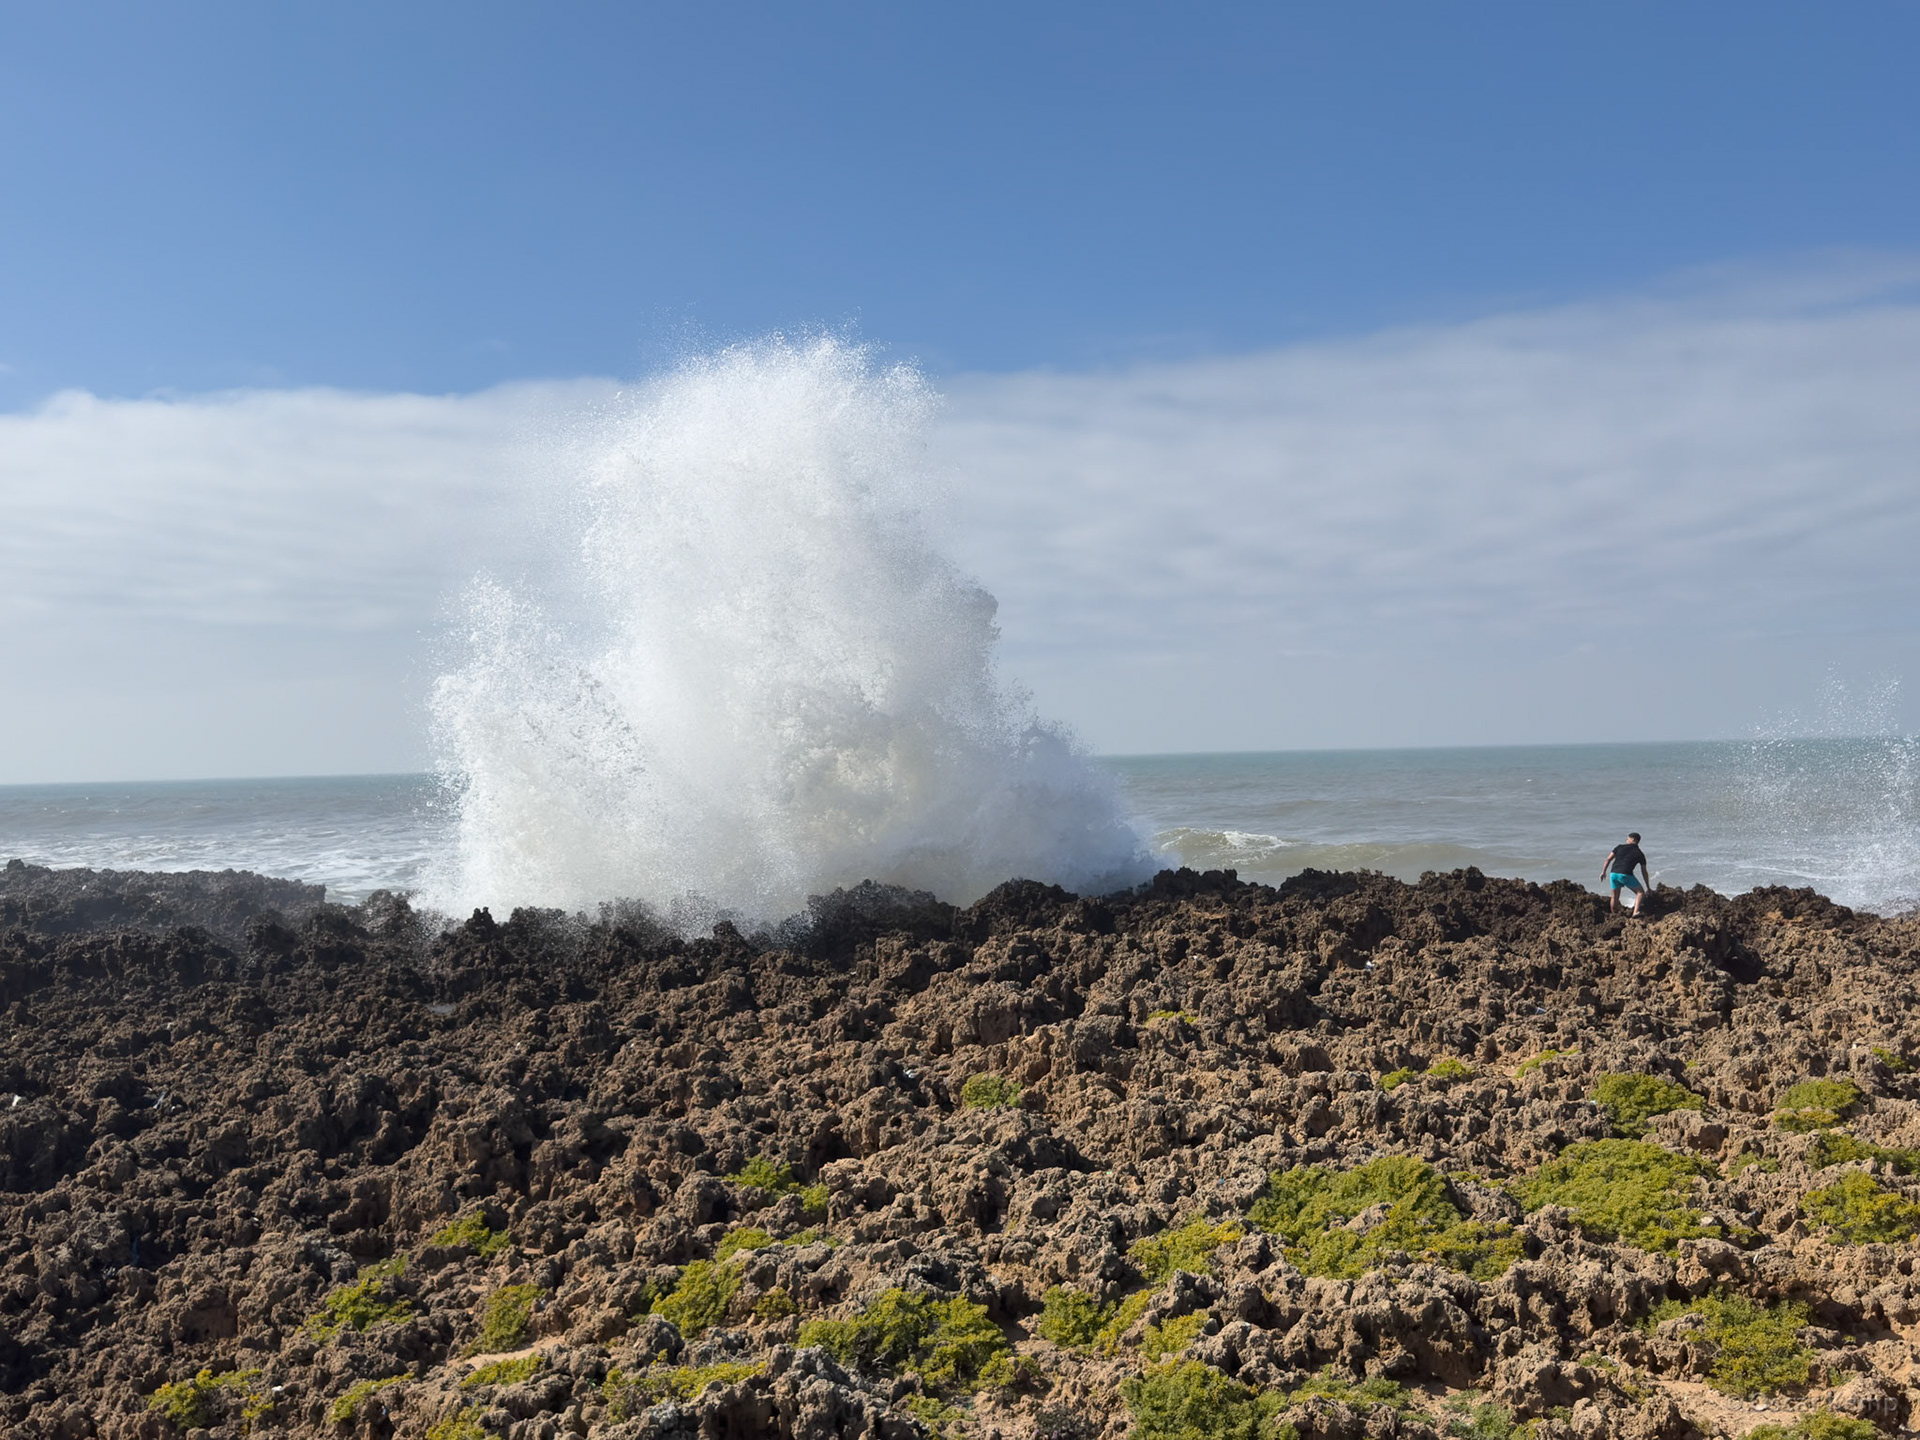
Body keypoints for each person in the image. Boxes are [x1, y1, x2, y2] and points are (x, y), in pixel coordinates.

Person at [1601, 832, 1650, 916]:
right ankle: (1635, 912)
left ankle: (1614, 915)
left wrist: (1603, 872)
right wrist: (1648, 887)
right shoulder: (1639, 853)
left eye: (1628, 839)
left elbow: (1608, 859)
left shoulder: (1619, 847)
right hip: (1625, 875)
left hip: (1613, 874)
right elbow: (1644, 871)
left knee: (1614, 897)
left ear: (1633, 840)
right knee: (1640, 893)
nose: (1626, 841)